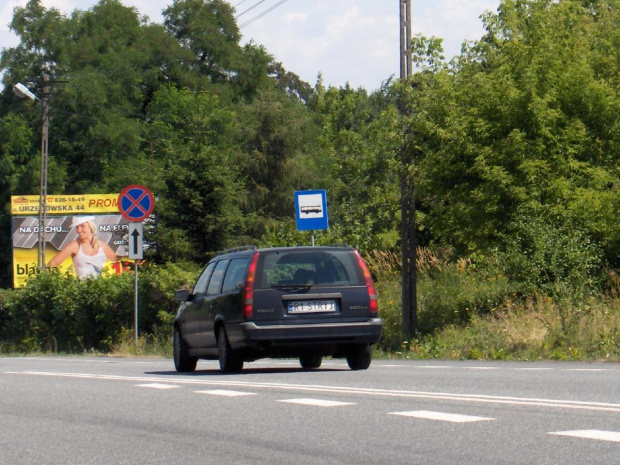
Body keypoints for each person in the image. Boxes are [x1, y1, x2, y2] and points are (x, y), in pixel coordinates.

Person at [48, 216, 117, 279]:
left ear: (91, 227)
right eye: (77, 227)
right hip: (81, 290)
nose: (79, 230)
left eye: (82, 226)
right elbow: (51, 265)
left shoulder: (103, 246)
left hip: (100, 290)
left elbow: (119, 264)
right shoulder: (74, 245)